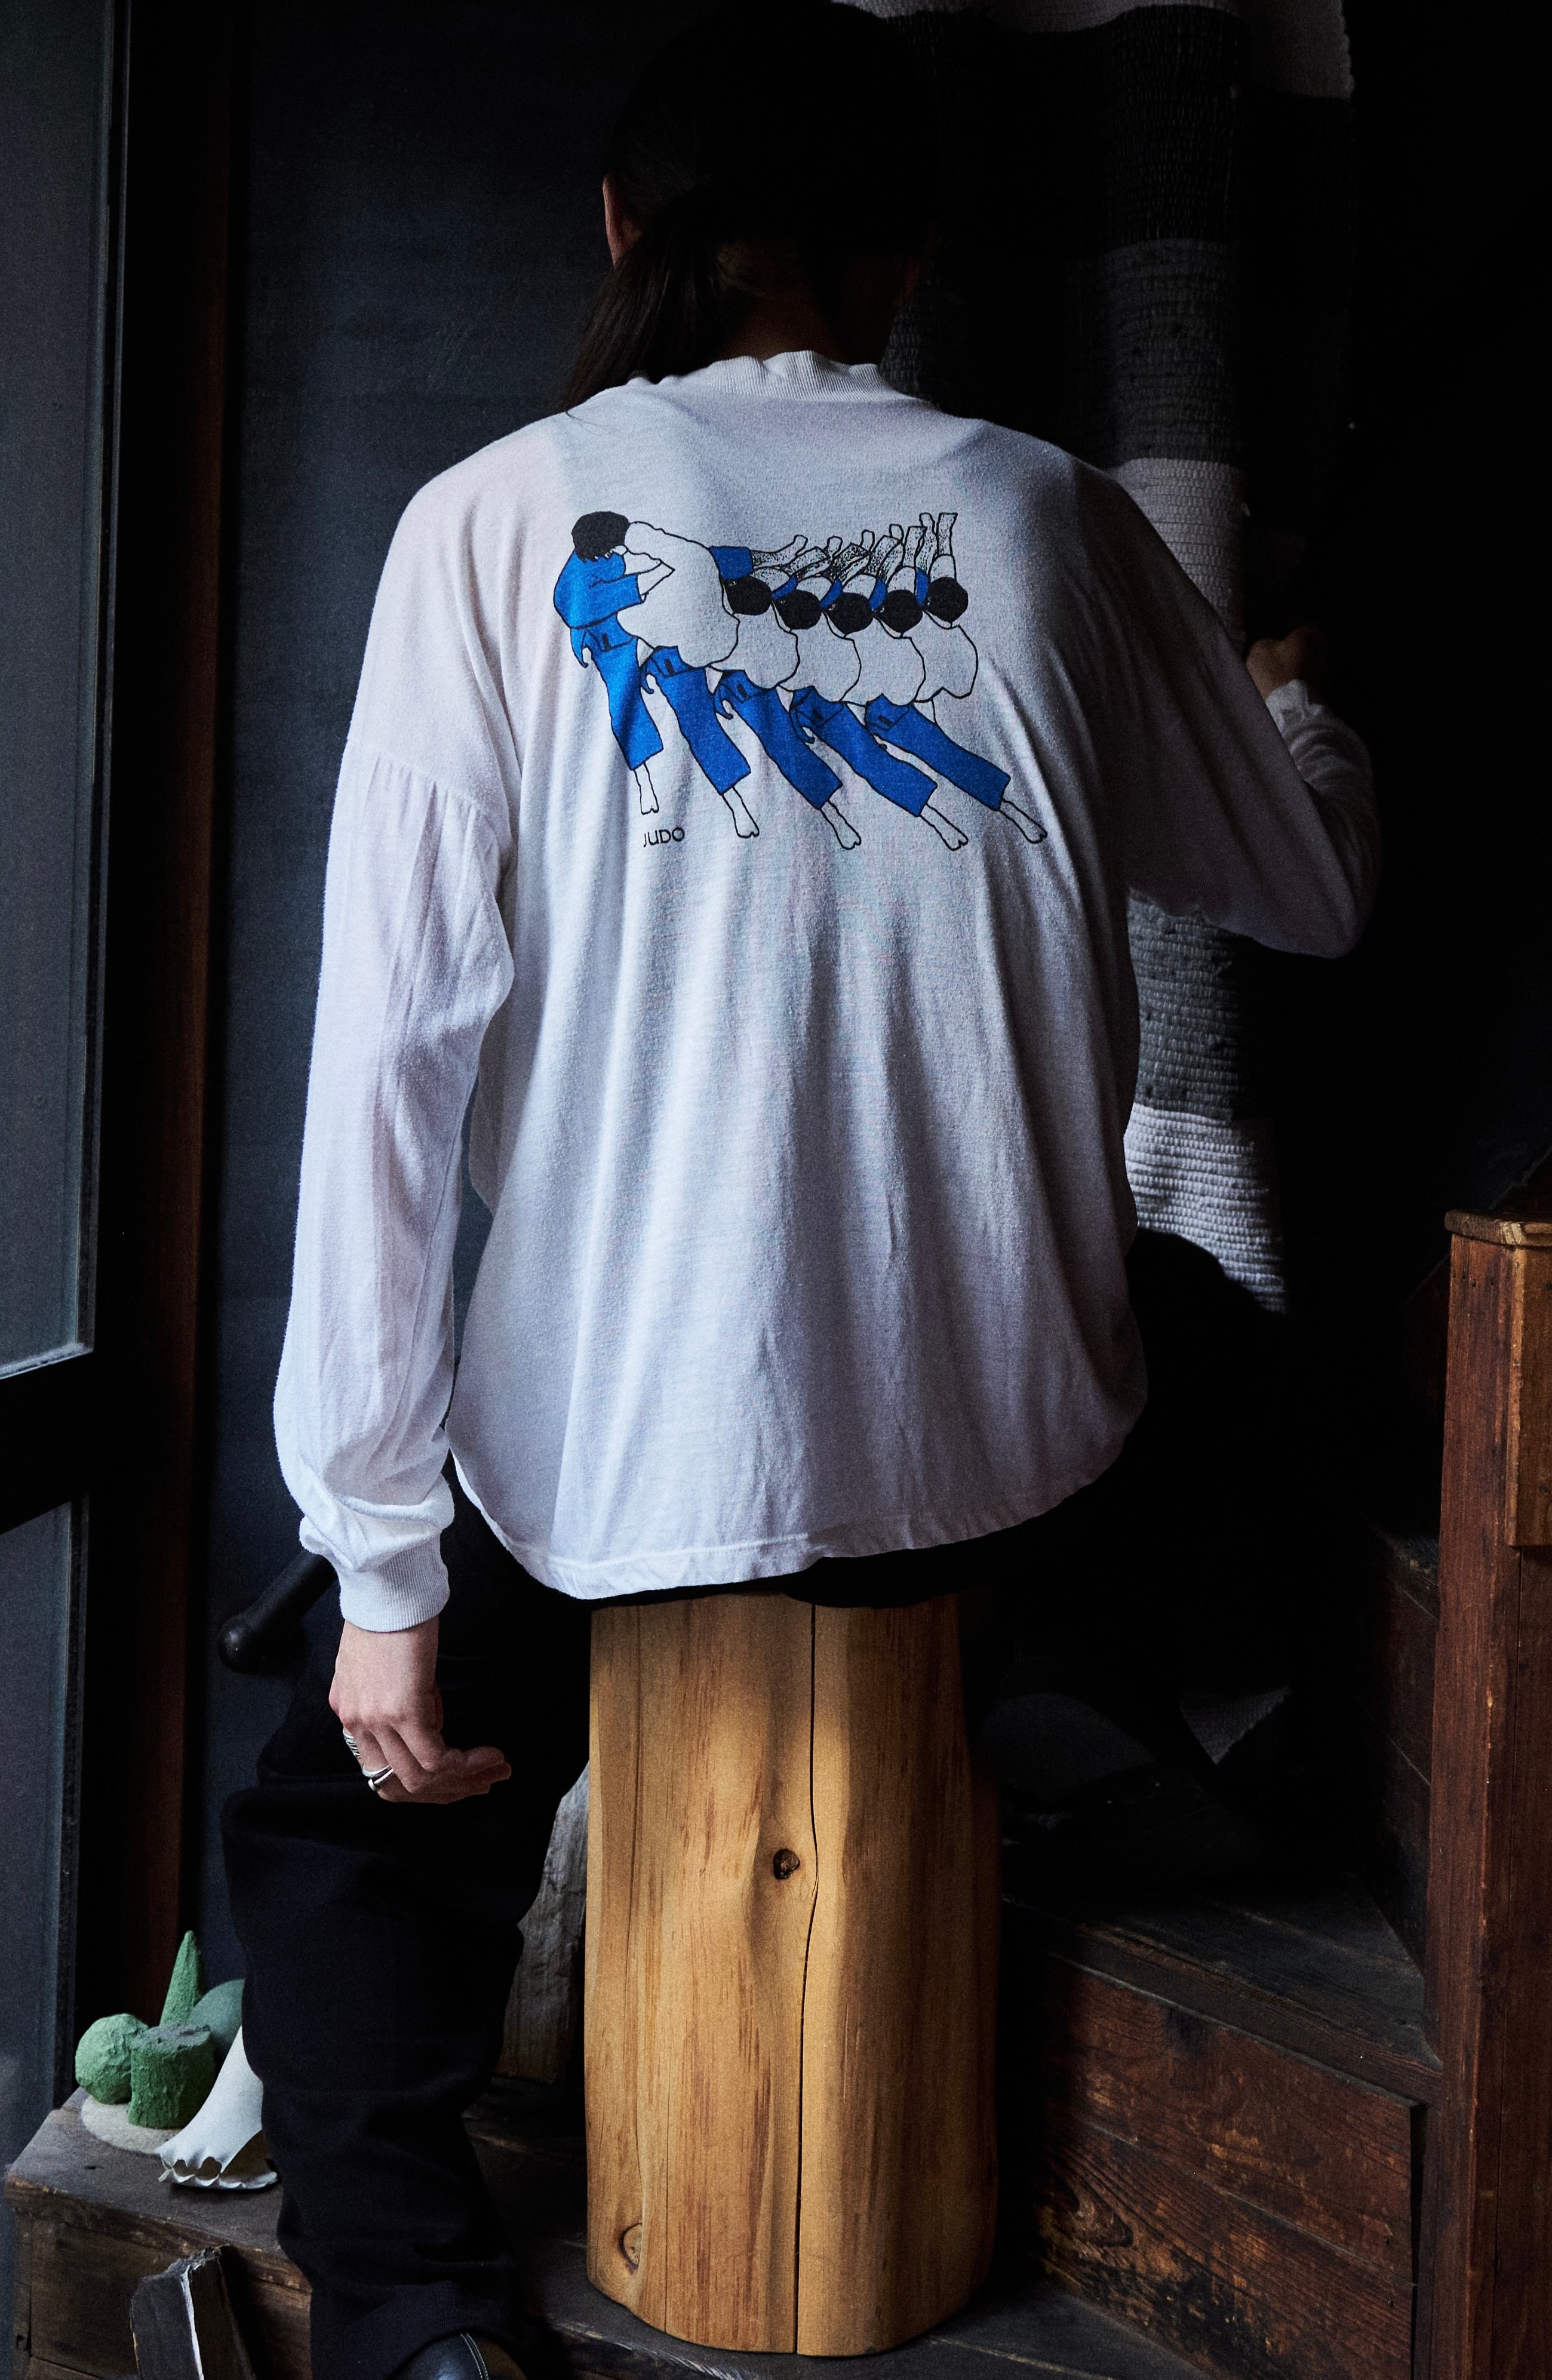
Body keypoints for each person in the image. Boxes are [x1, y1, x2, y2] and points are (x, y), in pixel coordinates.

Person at [223, 7, 1378, 2377]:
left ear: (619, 228)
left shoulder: (490, 523)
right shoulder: (1052, 512)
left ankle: (419, 2323)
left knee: (331, 1826)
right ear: (904, 262)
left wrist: (382, 1570)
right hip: (1007, 1477)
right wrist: (1289, 703)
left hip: (622, 1474)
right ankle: (1111, 1746)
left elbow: (386, 1083)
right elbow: (1311, 890)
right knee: (1241, 1381)